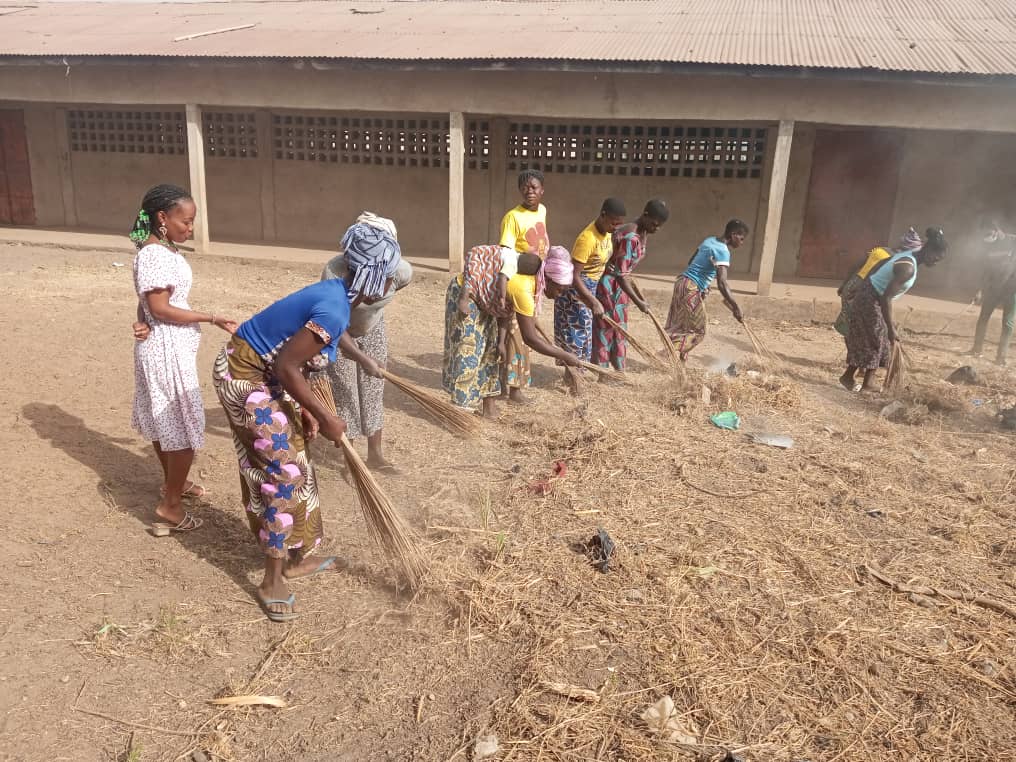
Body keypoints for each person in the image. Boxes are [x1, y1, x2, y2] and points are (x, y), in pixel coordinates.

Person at [212, 280, 381, 622]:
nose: (390, 287)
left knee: (299, 453)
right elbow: (287, 365)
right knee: (285, 469)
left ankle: (297, 557)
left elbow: (318, 343)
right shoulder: (334, 306)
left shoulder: (340, 295)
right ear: (372, 278)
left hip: (271, 374)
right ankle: (271, 580)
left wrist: (311, 407)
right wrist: (325, 415)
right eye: (389, 279)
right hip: (244, 374)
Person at [130, 184, 237, 534]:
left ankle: (174, 484)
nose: (190, 228)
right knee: (185, 431)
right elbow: (159, 306)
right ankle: (171, 505)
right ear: (162, 217)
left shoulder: (160, 250)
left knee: (168, 424)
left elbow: (148, 304)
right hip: (166, 351)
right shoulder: (155, 255)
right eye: (185, 221)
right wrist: (211, 317)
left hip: (165, 346)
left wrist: (142, 319)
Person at [444, 245, 579, 416]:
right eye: (560, 289)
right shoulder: (524, 290)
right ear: (550, 280)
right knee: (468, 351)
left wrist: (501, 341)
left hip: (488, 302)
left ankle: (489, 407)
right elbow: (531, 339)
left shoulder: (531, 284)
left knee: (492, 352)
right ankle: (460, 411)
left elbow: (505, 309)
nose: (560, 294)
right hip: (469, 294)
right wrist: (565, 355)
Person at [321, 213, 410, 473]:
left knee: (373, 384)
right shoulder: (333, 274)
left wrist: (372, 309)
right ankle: (351, 458)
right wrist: (360, 356)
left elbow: (394, 287)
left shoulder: (401, 271)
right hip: (341, 330)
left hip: (373, 327)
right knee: (344, 387)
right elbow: (333, 326)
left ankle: (375, 455)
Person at [840, 227, 948, 392]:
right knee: (878, 341)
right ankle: (867, 384)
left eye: (938, 260)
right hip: (872, 299)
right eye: (935, 257)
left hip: (869, 296)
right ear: (929, 249)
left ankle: (848, 377)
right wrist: (891, 329)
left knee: (874, 339)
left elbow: (878, 266)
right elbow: (886, 298)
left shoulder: (906, 256)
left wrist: (863, 284)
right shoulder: (908, 268)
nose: (935, 262)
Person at [554, 198, 627, 391]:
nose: (615, 228)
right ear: (603, 215)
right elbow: (575, 275)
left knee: (585, 338)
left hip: (590, 287)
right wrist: (592, 301)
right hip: (576, 292)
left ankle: (577, 378)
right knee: (575, 337)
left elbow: (600, 257)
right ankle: (573, 382)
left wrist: (607, 266)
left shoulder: (606, 234)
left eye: (619, 224)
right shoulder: (587, 238)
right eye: (613, 223)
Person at [592, 199, 669, 371]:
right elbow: (621, 274)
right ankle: (604, 372)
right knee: (607, 330)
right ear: (645, 215)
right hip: (611, 287)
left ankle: (618, 370)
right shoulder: (631, 237)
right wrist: (638, 302)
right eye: (655, 224)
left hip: (620, 288)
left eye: (659, 226)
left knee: (619, 331)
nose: (656, 229)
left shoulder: (642, 231)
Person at [498, 169, 550, 403]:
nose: (530, 191)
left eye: (534, 187)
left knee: (518, 336)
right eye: (526, 187)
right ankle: (514, 390)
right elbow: (506, 254)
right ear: (520, 190)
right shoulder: (512, 217)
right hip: (516, 281)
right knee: (515, 336)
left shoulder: (543, 211)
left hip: (533, 282)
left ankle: (507, 387)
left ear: (542, 191)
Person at [665, 219, 748, 360]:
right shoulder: (723, 251)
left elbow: (691, 261)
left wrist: (705, 283)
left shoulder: (709, 240)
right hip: (691, 288)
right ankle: (664, 355)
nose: (742, 242)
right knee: (698, 332)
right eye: (741, 238)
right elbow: (722, 283)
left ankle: (681, 362)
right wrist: (736, 307)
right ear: (734, 234)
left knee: (684, 326)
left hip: (681, 283)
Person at [834, 227, 923, 337]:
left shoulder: (879, 250)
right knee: (858, 326)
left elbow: (857, 264)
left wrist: (844, 284)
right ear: (911, 250)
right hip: (864, 288)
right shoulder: (897, 261)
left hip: (852, 283)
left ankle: (852, 346)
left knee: (849, 321)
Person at [969, 220, 1016, 366]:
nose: (986, 238)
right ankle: (977, 350)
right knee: (983, 318)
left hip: (1011, 290)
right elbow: (985, 270)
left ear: (996, 230)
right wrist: (979, 290)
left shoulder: (1013, 241)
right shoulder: (988, 246)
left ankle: (1001, 358)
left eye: (988, 234)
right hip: (993, 289)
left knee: (1007, 323)